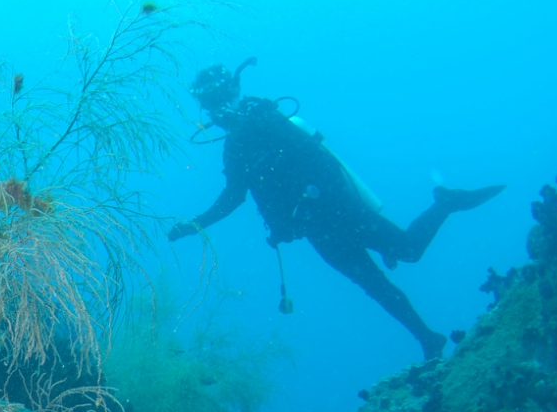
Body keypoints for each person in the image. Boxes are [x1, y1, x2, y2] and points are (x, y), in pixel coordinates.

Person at [168, 58, 503, 360]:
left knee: (409, 250)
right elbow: (233, 197)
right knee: (374, 285)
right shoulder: (234, 148)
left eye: (221, 98)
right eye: (211, 104)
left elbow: (324, 166)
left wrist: (307, 203)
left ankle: (446, 203)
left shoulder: (269, 119)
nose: (219, 109)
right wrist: (194, 225)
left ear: (236, 91)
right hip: (317, 232)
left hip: (342, 212)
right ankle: (428, 339)